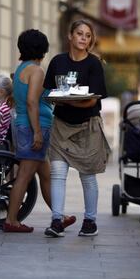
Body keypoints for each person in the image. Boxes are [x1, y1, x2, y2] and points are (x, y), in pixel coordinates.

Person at [43, 19, 110, 237]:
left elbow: (92, 100)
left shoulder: (93, 64)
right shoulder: (57, 62)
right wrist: (57, 99)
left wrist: (68, 100)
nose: (83, 38)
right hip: (61, 125)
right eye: (79, 33)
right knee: (58, 173)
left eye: (87, 35)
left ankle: (90, 221)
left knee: (87, 175)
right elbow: (49, 93)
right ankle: (57, 220)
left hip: (87, 126)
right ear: (70, 36)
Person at [2, 29, 55, 232]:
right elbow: (32, 102)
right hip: (33, 127)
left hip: (25, 125)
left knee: (47, 175)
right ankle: (11, 220)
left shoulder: (21, 69)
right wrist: (38, 132)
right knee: (24, 175)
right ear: (43, 49)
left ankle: (59, 215)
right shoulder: (36, 71)